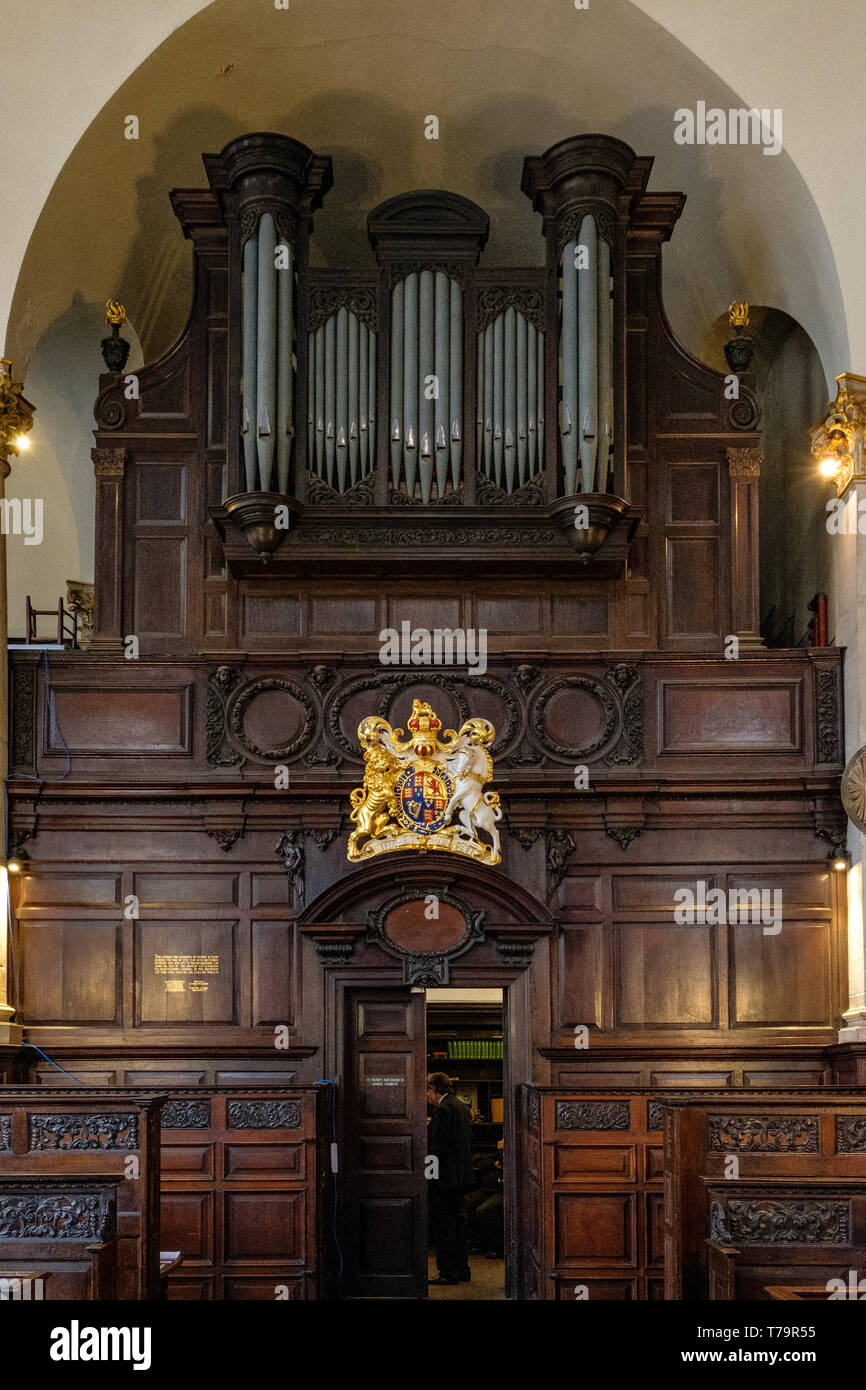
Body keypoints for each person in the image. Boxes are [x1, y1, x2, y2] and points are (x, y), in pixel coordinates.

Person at [426, 1072, 474, 1285]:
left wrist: (429, 1176)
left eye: (427, 1090)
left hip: (444, 1179)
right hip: (460, 1177)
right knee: (460, 1225)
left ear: (435, 1089)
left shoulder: (442, 1110)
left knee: (445, 1227)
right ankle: (463, 1270)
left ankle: (448, 1272)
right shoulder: (461, 1107)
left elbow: (437, 1147)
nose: (426, 1096)